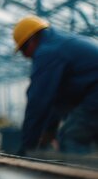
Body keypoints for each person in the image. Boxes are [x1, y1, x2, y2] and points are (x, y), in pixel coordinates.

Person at [13, 15, 98, 154]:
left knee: (71, 136)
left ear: (32, 40)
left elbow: (38, 101)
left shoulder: (47, 52)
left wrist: (26, 149)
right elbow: (58, 100)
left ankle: (78, 175)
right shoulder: (60, 44)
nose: (25, 56)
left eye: (23, 50)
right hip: (93, 93)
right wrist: (48, 131)